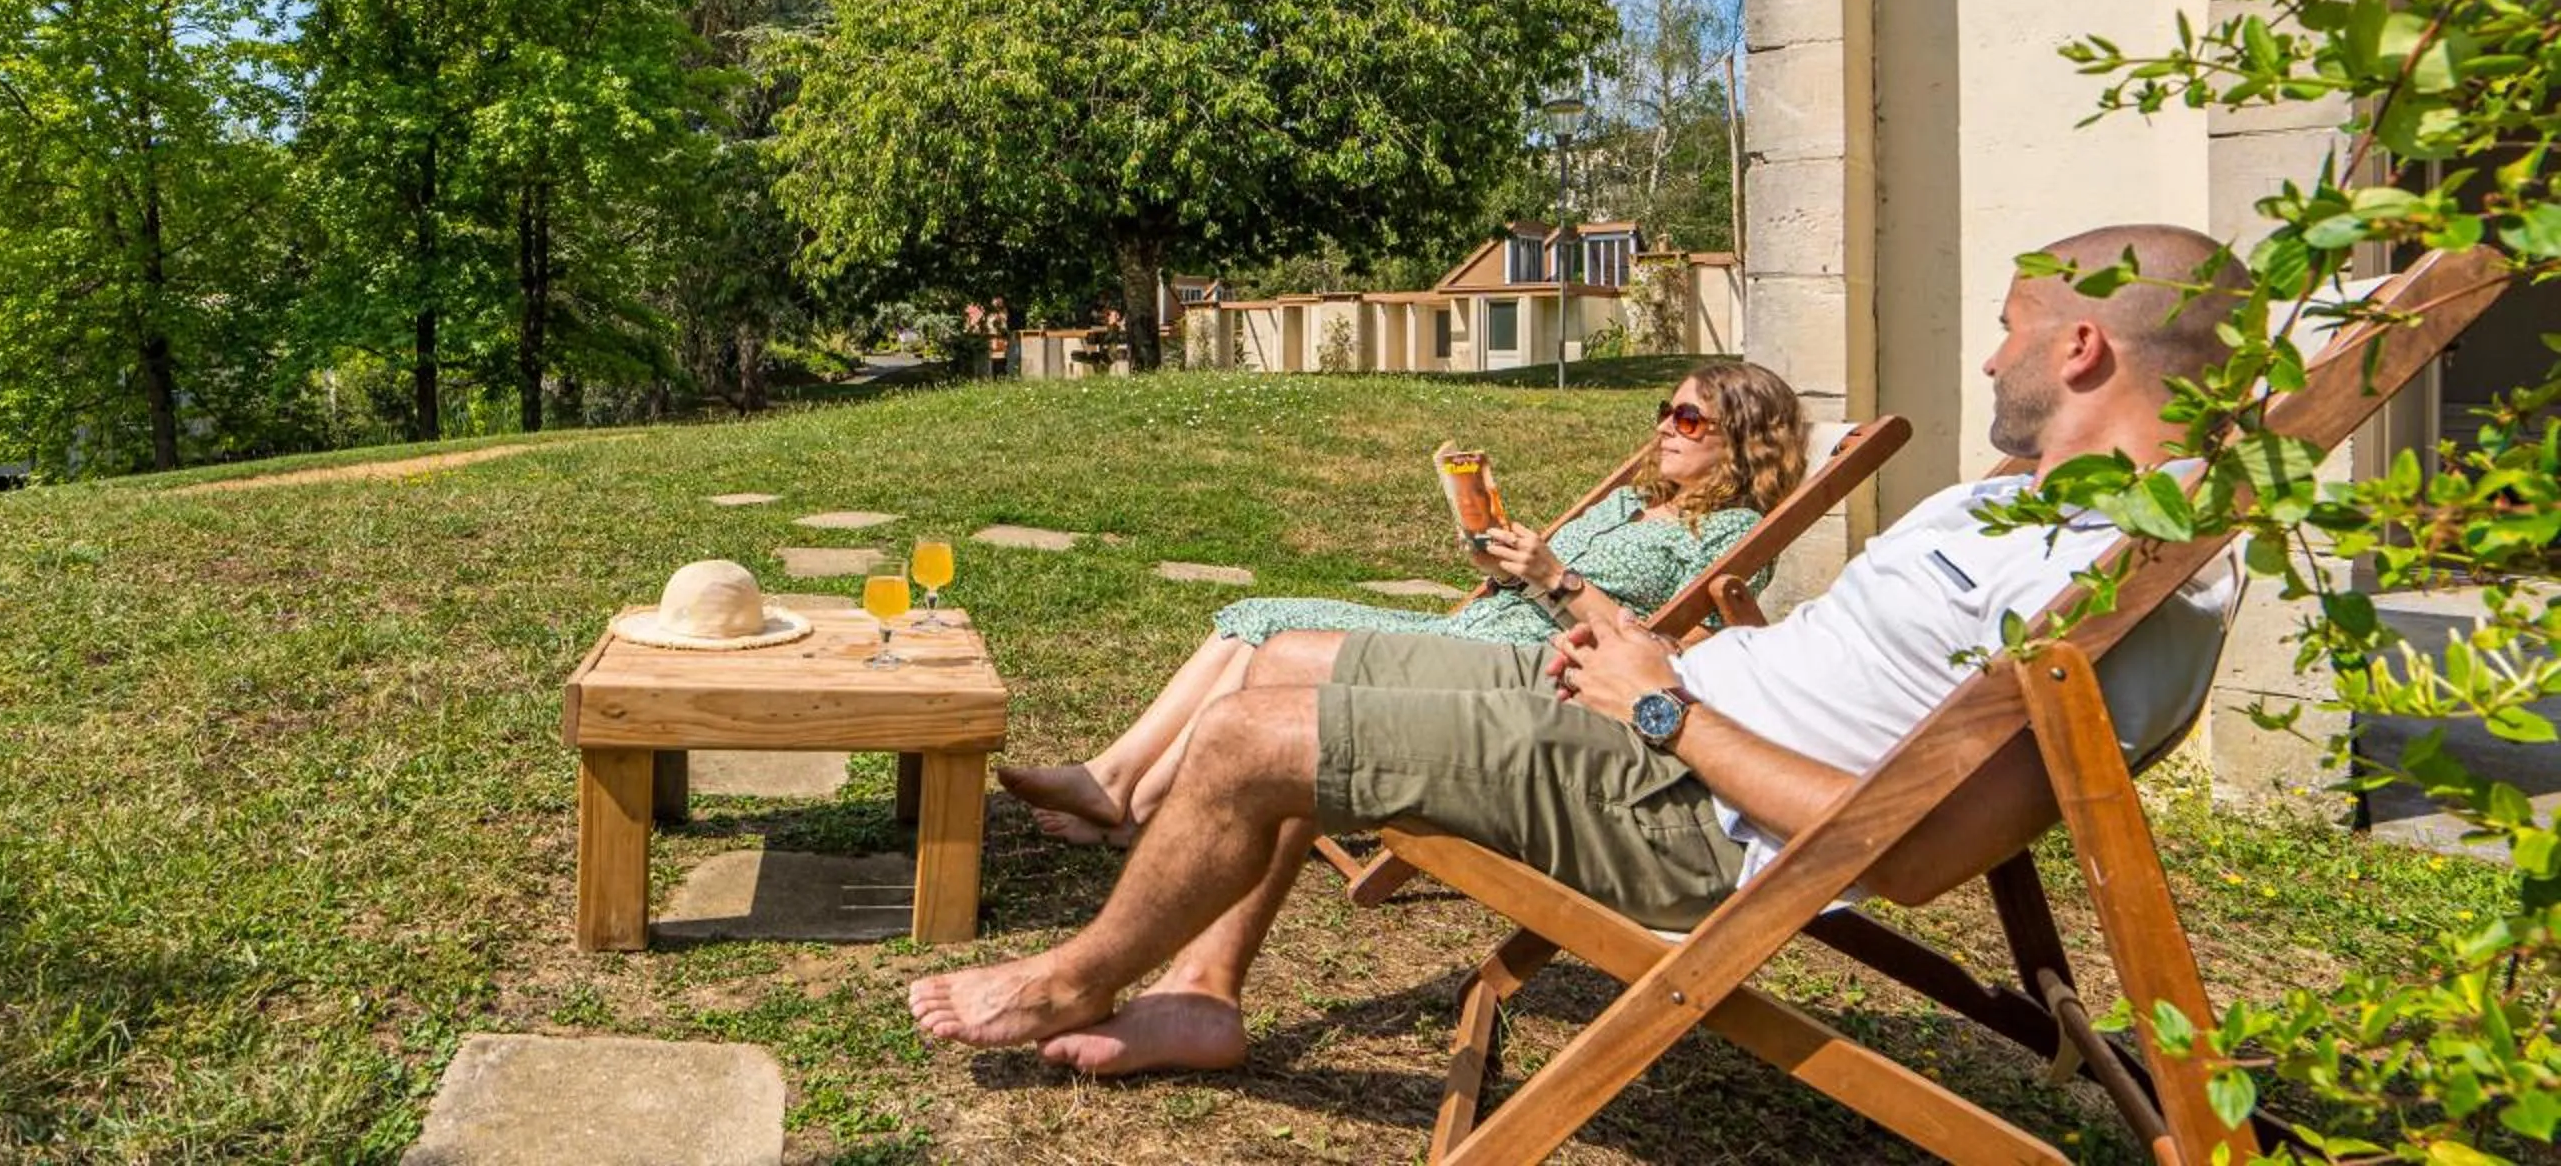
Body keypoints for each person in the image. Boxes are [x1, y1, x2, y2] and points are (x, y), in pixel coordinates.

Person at [911, 222, 2249, 1079]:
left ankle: (1067, 978)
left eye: (2014, 322)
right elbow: (1848, 679)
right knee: (1276, 664)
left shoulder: (2121, 589)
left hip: (1682, 803)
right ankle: (1203, 991)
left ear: (2081, 346)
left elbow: (1903, 855)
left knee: (1259, 739)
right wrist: (1630, 643)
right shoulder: (2014, 509)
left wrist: (1666, 710)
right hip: (1652, 720)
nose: (1991, 355)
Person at [998, 363, 1807, 845]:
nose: (1667, 425)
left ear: (1740, 438)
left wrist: (1557, 579)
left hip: (1522, 668)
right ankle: (1123, 792)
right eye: (1663, 410)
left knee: (1268, 631)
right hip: (1476, 626)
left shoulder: (1734, 536)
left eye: (1689, 416)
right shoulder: (1639, 503)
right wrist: (1503, 555)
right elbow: (1545, 573)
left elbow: (1672, 655)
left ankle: (1129, 802)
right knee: (1253, 618)